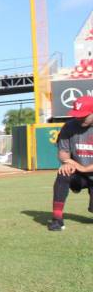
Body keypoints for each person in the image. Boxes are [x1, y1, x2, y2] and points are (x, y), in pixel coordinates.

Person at [49, 95, 93, 231]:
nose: (79, 118)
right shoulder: (69, 126)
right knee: (63, 173)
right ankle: (57, 219)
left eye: (84, 115)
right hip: (79, 174)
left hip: (87, 170)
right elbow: (63, 151)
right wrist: (66, 162)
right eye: (77, 115)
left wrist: (84, 168)